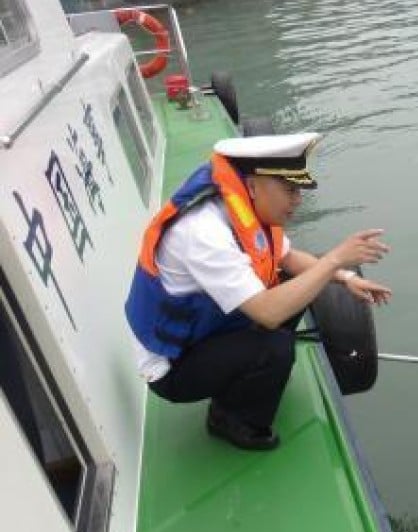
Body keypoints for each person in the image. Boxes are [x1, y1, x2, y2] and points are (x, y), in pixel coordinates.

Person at [125, 132, 391, 451]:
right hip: (173, 364)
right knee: (276, 346)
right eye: (290, 190)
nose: (298, 200)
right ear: (252, 185)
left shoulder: (247, 210)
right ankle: (229, 418)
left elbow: (288, 259)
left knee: (297, 287)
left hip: (203, 329)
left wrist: (345, 277)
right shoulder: (203, 232)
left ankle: (244, 378)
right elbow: (269, 312)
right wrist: (334, 258)